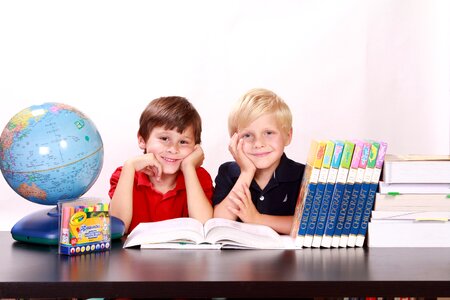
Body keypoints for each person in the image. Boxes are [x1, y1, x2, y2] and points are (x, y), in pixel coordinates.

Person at [109, 96, 213, 233]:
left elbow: (205, 228)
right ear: (142, 140)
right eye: (164, 138)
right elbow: (116, 230)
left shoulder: (198, 177)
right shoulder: (126, 174)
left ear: (195, 147)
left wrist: (188, 168)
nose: (173, 149)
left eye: (183, 142)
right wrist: (130, 166)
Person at [213, 88, 305, 235]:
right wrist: (246, 172)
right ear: (234, 140)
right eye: (248, 135)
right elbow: (218, 223)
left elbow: (307, 225)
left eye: (268, 133)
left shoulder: (302, 175)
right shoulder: (228, 172)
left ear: (288, 136)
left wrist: (257, 219)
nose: (258, 143)